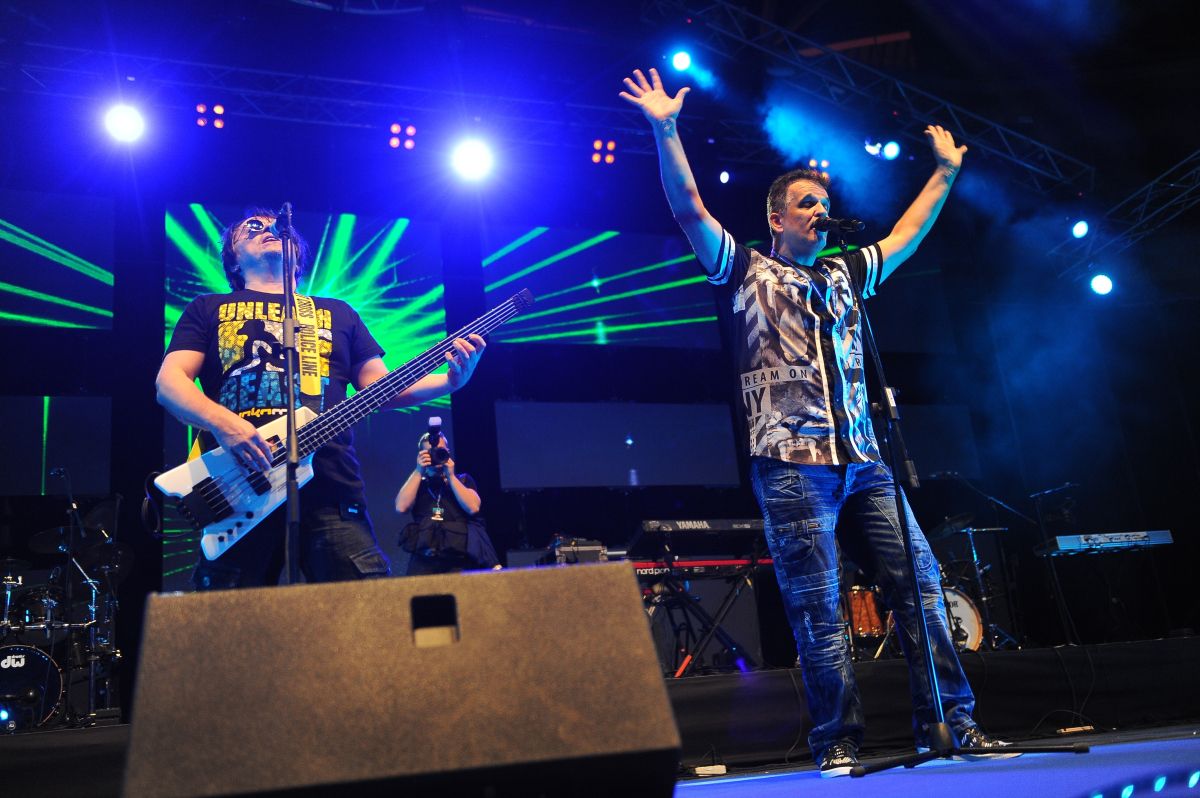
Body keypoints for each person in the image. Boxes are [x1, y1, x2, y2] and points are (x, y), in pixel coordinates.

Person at [621, 68, 1014, 777]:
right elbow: (688, 207)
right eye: (807, 204)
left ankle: (953, 724)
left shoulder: (846, 274)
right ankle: (838, 738)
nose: (819, 212)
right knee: (818, 608)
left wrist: (946, 173)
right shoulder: (744, 269)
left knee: (922, 588)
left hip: (865, 461)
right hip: (792, 465)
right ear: (777, 218)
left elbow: (907, 234)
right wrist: (666, 129)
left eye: (826, 204)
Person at [156, 208, 486, 589]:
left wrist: (450, 382)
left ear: (296, 253)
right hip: (240, 487)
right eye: (252, 227)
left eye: (276, 226)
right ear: (233, 258)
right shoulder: (207, 308)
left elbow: (381, 388)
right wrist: (225, 425)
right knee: (229, 622)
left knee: (363, 616)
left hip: (330, 487)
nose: (268, 229)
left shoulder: (338, 313)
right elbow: (169, 383)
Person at [394, 430, 500, 574]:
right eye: (430, 453)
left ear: (448, 453)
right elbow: (401, 508)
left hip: (459, 560)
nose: (435, 455)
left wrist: (450, 476)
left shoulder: (462, 480)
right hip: (425, 561)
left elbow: (473, 508)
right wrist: (419, 470)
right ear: (421, 455)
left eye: (440, 451)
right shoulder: (417, 484)